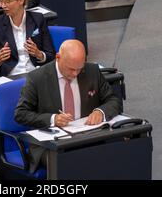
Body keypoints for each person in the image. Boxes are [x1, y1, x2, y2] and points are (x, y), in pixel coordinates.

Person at [15, 39, 122, 172]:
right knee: (75, 163)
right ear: (58, 57)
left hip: (88, 137)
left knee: (116, 153)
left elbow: (113, 100)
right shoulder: (37, 78)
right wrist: (53, 119)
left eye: (79, 69)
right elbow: (21, 114)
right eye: (71, 69)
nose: (75, 74)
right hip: (52, 145)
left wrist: (100, 111)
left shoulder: (92, 71)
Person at [0, 0, 55, 78]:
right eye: (1, 1)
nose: (3, 5)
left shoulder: (38, 19)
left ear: (21, 0)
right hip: (11, 76)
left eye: (7, 1)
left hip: (35, 73)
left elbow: (51, 55)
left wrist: (38, 54)